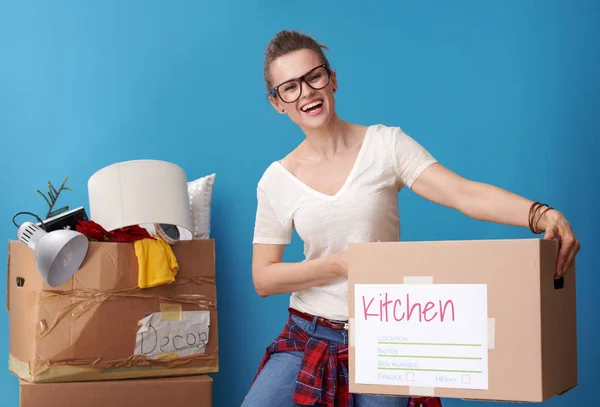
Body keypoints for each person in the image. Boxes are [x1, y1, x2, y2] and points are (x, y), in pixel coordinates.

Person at [241, 30, 580, 407]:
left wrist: (540, 214)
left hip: (386, 335)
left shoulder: (386, 145)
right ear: (277, 104)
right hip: (307, 333)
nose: (305, 92)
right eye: (289, 87)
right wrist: (340, 264)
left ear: (332, 79)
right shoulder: (276, 180)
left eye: (313, 77)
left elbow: (461, 192)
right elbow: (263, 277)